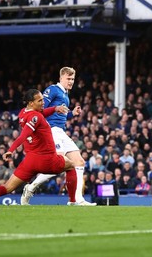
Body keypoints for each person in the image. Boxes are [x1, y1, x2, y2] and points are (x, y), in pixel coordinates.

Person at [0, 89, 85, 205]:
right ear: (31, 103)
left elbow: (41, 113)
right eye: (40, 101)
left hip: (30, 162)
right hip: (47, 160)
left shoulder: (23, 113)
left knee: (7, 187)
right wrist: (10, 150)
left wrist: (55, 108)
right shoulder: (35, 117)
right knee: (71, 166)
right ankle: (72, 201)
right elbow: (23, 136)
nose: (43, 103)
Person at [21, 67, 95, 206]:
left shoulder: (65, 95)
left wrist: (72, 113)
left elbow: (62, 114)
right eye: (68, 78)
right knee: (58, 164)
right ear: (61, 78)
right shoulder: (52, 90)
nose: (71, 81)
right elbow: (40, 109)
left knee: (79, 162)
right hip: (51, 130)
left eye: (73, 79)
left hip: (61, 131)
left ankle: (78, 199)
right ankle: (31, 187)